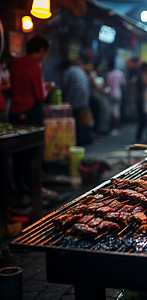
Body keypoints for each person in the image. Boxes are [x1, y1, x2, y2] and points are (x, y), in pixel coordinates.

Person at [8, 35, 57, 206]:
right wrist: (48, 88)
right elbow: (39, 95)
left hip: (14, 112)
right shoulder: (35, 66)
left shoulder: (15, 63)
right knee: (33, 154)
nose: (45, 55)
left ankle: (22, 193)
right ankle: (34, 191)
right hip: (31, 112)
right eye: (45, 51)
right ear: (41, 50)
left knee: (18, 154)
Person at [61, 59, 93, 145]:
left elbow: (64, 86)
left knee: (75, 122)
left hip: (74, 101)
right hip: (84, 100)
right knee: (81, 121)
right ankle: (84, 140)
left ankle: (76, 142)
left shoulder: (68, 71)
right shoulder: (80, 70)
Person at [106, 61, 125, 135]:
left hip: (111, 94)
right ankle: (117, 127)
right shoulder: (119, 73)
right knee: (117, 112)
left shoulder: (109, 74)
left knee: (112, 112)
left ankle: (114, 128)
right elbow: (122, 83)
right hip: (118, 94)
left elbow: (108, 85)